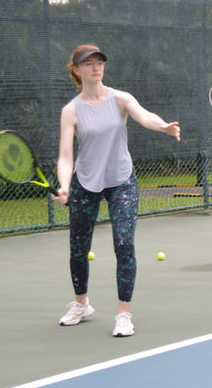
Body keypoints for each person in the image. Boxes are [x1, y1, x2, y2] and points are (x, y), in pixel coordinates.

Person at [54, 45, 181, 337]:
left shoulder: (120, 99)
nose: (96, 67)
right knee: (78, 250)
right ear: (76, 70)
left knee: (124, 244)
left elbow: (145, 115)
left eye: (99, 62)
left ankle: (124, 313)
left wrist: (163, 127)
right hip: (85, 182)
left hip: (121, 180)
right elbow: (65, 156)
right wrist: (63, 185)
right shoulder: (71, 111)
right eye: (88, 63)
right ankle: (81, 304)